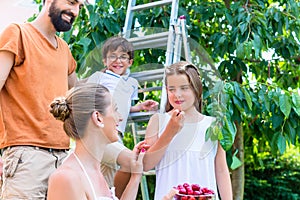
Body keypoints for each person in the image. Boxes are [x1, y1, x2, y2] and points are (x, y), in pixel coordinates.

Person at [0, 0, 83, 198]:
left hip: (63, 158)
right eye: (71, 2)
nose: (75, 11)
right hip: (26, 157)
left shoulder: (64, 49)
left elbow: (81, 95)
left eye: (80, 6)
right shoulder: (18, 33)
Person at [143, 61, 233, 200]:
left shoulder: (213, 124)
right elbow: (146, 164)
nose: (177, 94)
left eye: (184, 88)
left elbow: (221, 170)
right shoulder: (158, 121)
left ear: (196, 89)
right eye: (171, 89)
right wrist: (170, 132)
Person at [47, 83, 147, 200]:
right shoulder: (66, 178)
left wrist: (136, 176)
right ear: (98, 118)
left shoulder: (95, 172)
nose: (120, 117)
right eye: (115, 109)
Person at [85, 36, 158, 192]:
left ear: (130, 62)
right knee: (130, 161)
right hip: (100, 131)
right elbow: (86, 98)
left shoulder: (131, 84)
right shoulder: (100, 77)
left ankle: (105, 196)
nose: (117, 61)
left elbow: (123, 107)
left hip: (117, 134)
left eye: (123, 57)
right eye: (112, 56)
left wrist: (139, 107)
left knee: (106, 179)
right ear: (105, 61)